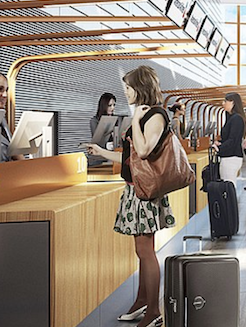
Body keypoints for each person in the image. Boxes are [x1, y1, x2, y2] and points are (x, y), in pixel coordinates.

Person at [84, 66, 174, 327]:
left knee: (146, 250)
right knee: (141, 250)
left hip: (145, 193)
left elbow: (144, 151)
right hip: (135, 188)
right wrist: (101, 151)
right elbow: (129, 158)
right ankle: (141, 302)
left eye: (128, 88)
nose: (125, 92)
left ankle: (154, 311)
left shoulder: (154, 115)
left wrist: (135, 121)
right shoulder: (145, 115)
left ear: (140, 87)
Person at [216, 93, 246, 186]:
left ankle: (231, 201)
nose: (223, 103)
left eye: (225, 101)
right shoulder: (232, 118)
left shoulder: (236, 119)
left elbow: (233, 140)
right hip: (230, 157)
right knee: (228, 187)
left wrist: (219, 147)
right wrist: (220, 143)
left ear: (232, 102)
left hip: (231, 158)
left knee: (228, 187)